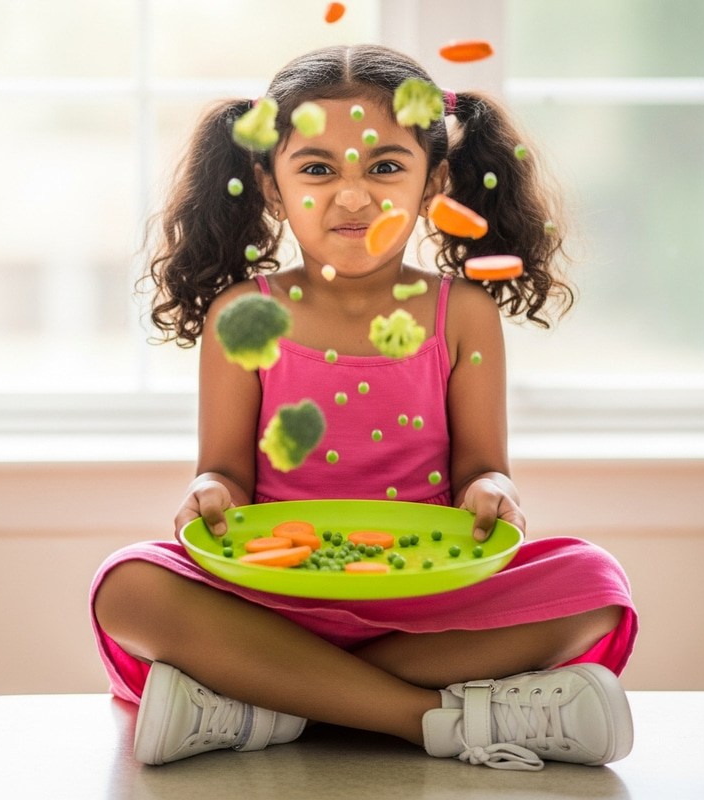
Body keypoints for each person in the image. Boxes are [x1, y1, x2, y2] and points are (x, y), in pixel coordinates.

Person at [91, 43, 637, 771]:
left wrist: (494, 492)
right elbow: (224, 472)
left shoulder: (462, 313)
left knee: (595, 584)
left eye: (385, 167)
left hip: (424, 603)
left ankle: (268, 697)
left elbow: (482, 468)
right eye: (317, 168)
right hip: (272, 599)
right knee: (126, 586)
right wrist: (207, 494)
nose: (353, 197)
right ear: (270, 186)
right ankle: (433, 719)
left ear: (433, 180)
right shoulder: (243, 313)